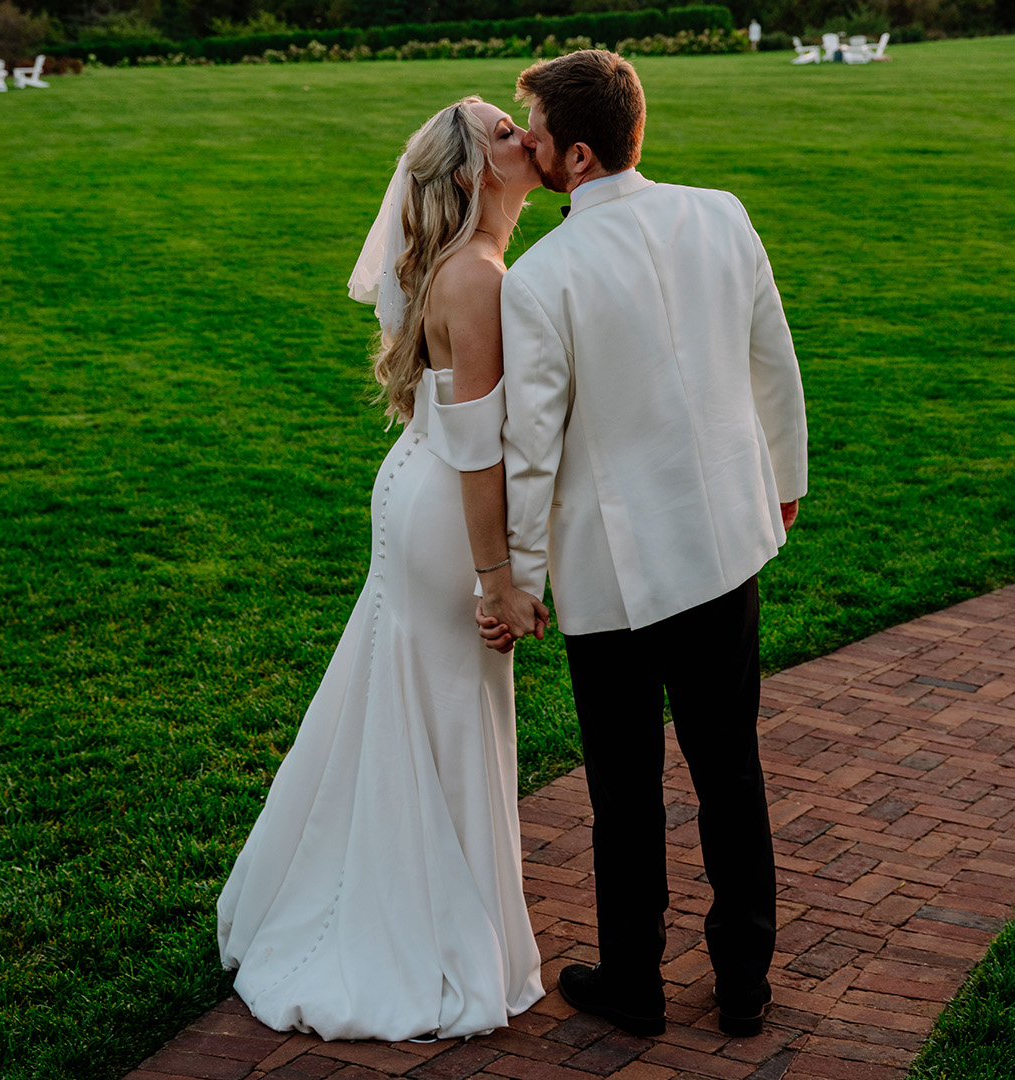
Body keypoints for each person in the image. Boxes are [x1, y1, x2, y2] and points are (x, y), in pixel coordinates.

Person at [480, 50, 809, 1040]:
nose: (522, 141)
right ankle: (744, 982)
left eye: (533, 129)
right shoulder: (721, 213)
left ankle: (634, 982)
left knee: (625, 793)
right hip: (722, 547)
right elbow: (773, 358)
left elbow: (531, 451)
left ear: (576, 156)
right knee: (730, 770)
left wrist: (521, 579)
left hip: (612, 578)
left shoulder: (539, 281)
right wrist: (783, 484)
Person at [215, 96, 550, 1042]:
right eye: (501, 134)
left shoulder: (463, 266)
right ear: (466, 177)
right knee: (444, 708)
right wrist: (497, 576)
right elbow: (482, 447)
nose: (522, 138)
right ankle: (424, 933)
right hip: (451, 512)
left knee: (416, 700)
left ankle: (400, 897)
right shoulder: (476, 278)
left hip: (417, 487)